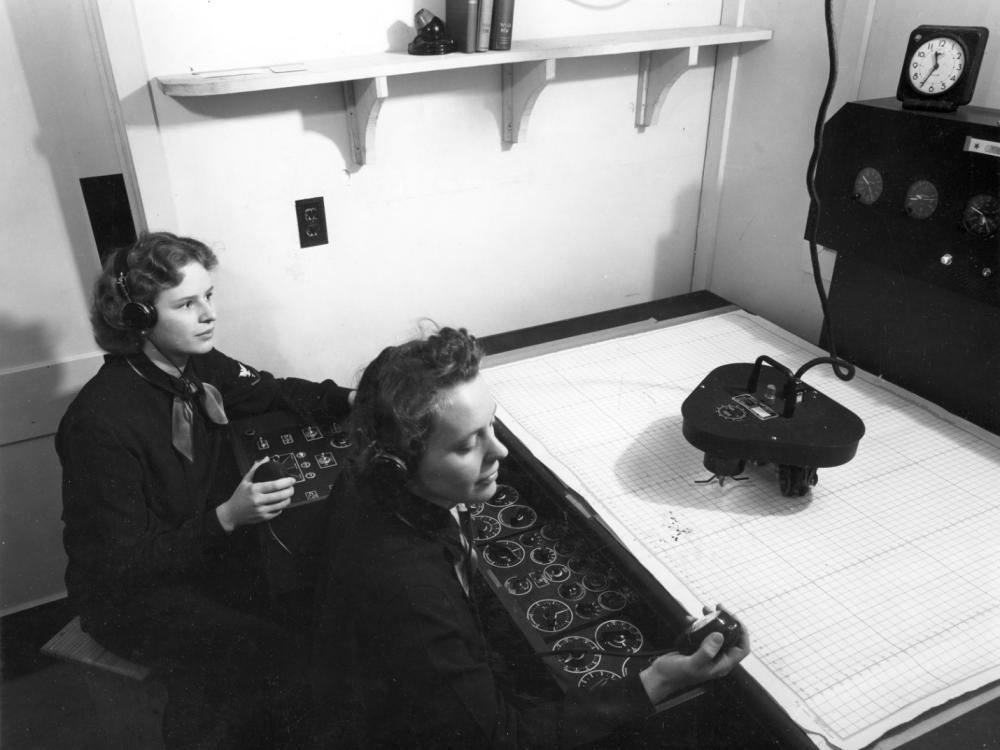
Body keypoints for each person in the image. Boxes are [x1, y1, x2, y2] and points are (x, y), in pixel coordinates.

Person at [311, 326, 750, 748]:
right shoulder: (412, 593)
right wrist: (662, 678)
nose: (499, 450)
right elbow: (503, 740)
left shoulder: (366, 477)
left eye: (492, 426)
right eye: (468, 445)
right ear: (399, 465)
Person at [57, 231, 354, 749]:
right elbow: (120, 565)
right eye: (187, 304)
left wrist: (354, 397)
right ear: (138, 318)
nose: (208, 314)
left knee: (314, 606)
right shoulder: (99, 421)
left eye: (209, 296)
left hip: (199, 556)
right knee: (269, 654)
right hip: (131, 598)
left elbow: (272, 391)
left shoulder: (196, 365)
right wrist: (227, 518)